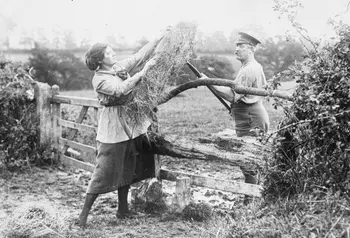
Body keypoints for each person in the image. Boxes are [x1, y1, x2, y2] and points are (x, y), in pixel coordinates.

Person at [78, 33, 164, 228]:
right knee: (103, 171)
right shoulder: (99, 79)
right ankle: (82, 216)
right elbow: (120, 90)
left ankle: (123, 210)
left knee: (128, 166)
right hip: (113, 128)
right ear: (100, 59)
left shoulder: (117, 67)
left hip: (130, 125)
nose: (113, 53)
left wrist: (159, 37)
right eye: (109, 52)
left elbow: (139, 57)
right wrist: (143, 73)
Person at [201, 32, 270, 186]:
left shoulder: (249, 69)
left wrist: (209, 82)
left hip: (251, 119)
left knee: (248, 161)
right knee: (249, 162)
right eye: (236, 46)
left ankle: (251, 197)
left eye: (241, 46)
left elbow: (233, 96)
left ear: (251, 50)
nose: (236, 50)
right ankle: (254, 196)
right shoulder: (249, 66)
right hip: (250, 116)